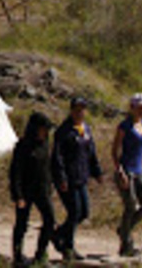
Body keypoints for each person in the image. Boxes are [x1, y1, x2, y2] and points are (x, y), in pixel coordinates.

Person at [51, 96, 102, 258]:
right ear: (71, 110)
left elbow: (91, 152)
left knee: (84, 212)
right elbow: (57, 157)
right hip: (68, 178)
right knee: (74, 212)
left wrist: (97, 172)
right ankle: (68, 248)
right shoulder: (64, 131)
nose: (80, 113)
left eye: (82, 110)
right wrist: (61, 178)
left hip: (81, 176)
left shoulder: (85, 129)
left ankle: (58, 233)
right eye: (77, 110)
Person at [9, 111, 56, 267]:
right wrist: (18, 195)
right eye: (43, 128)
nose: (46, 132)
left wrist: (50, 186)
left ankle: (40, 254)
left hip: (42, 190)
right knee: (22, 224)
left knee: (50, 220)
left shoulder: (45, 144)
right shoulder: (23, 146)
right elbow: (15, 172)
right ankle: (17, 256)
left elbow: (48, 168)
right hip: (25, 191)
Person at [113, 92, 142, 257]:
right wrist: (120, 171)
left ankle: (124, 229)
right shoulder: (124, 126)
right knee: (130, 205)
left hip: (139, 170)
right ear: (133, 107)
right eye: (140, 107)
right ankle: (126, 244)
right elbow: (115, 150)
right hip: (126, 170)